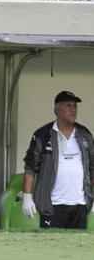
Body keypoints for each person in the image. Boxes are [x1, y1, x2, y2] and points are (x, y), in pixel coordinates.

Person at [22, 91, 94, 230]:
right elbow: (30, 167)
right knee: (51, 247)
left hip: (80, 205)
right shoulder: (42, 135)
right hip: (52, 206)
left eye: (74, 106)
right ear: (57, 109)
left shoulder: (85, 134)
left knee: (78, 248)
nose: (73, 110)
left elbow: (93, 167)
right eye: (68, 106)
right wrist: (27, 196)